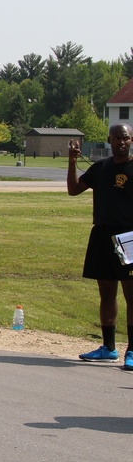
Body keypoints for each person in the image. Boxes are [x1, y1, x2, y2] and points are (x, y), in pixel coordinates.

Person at [67, 124, 133, 370]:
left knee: (131, 294)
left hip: (129, 236)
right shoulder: (101, 168)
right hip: (102, 234)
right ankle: (108, 348)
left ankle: (132, 350)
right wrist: (72, 161)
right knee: (106, 292)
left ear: (131, 139)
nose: (121, 142)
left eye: (125, 138)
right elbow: (74, 190)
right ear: (109, 140)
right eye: (116, 138)